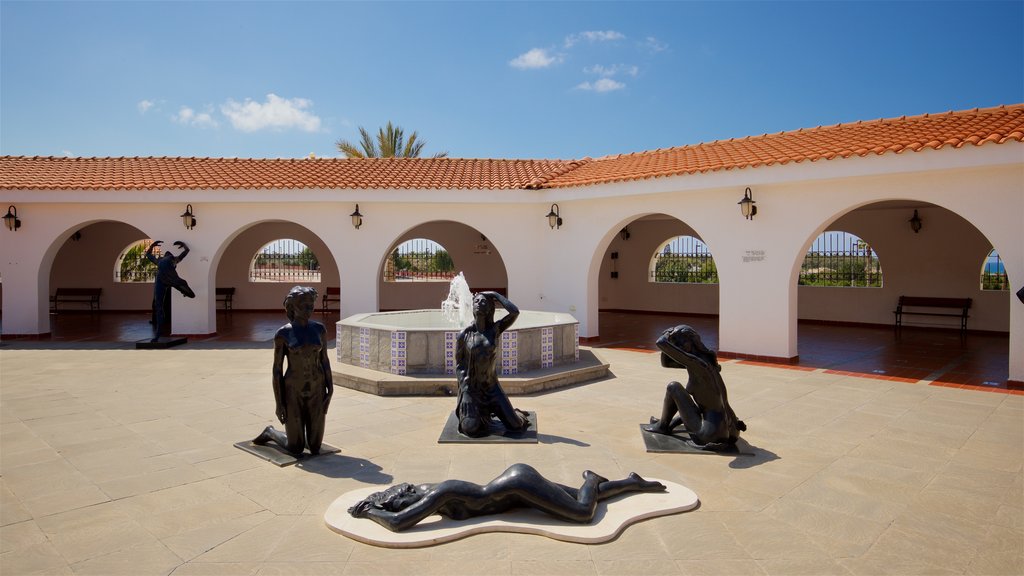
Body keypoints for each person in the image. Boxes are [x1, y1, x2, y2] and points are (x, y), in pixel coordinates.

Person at [348, 463, 666, 532]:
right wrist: (376, 503)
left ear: (406, 495)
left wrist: (369, 512)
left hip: (518, 485)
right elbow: (403, 512)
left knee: (582, 513)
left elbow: (399, 523)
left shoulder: (439, 493)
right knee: (575, 499)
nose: (408, 506)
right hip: (516, 492)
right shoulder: (433, 494)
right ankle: (632, 482)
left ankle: (593, 479)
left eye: (400, 500)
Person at [253, 286, 334, 455]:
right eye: (304, 306)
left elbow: (324, 360)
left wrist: (330, 390)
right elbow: (277, 370)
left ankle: (303, 432)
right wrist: (279, 402)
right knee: (295, 447)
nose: (309, 310)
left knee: (315, 447)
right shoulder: (283, 333)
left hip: (316, 389)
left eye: (311, 306)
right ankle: (271, 432)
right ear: (292, 307)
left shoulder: (319, 329)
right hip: (293, 391)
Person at [643, 325, 746, 450]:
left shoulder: (697, 364)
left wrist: (667, 335)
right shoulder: (707, 361)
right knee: (700, 406)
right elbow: (667, 363)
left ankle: (663, 426)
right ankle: (666, 423)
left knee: (673, 387)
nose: (675, 347)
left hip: (709, 435)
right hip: (732, 431)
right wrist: (671, 340)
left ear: (687, 344)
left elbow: (660, 343)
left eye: (677, 344)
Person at [455, 291, 529, 437]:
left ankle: (516, 413)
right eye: (476, 301)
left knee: (516, 425)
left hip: (492, 389)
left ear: (489, 308)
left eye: (483, 302)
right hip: (472, 391)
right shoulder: (464, 335)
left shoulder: (495, 330)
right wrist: (466, 392)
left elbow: (515, 312)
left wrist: (495, 295)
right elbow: (459, 366)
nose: (479, 303)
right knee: (470, 429)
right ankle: (479, 413)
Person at [145, 240, 196, 341]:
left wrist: (152, 246)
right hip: (168, 280)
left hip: (164, 279)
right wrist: (184, 245)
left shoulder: (163, 260)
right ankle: (158, 333)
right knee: (159, 305)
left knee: (159, 305)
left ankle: (158, 333)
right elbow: (185, 252)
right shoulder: (170, 259)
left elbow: (148, 254)